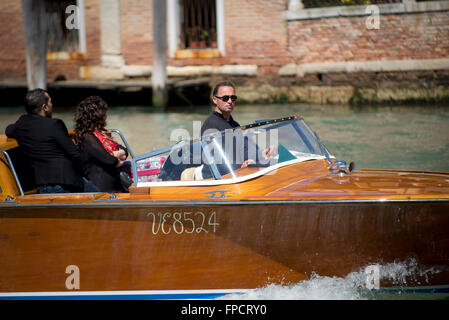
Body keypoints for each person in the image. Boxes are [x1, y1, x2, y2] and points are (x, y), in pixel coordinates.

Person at [5, 88, 93, 193]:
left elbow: (8, 130)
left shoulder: (20, 124)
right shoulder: (54, 125)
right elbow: (75, 155)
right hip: (66, 184)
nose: (52, 104)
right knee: (102, 199)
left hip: (42, 186)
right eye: (50, 101)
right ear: (44, 107)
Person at [74, 96, 131, 193]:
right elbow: (110, 161)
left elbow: (125, 151)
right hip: (101, 189)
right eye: (104, 113)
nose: (106, 116)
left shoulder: (102, 132)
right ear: (97, 116)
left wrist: (115, 154)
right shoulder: (87, 137)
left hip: (116, 184)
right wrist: (116, 156)